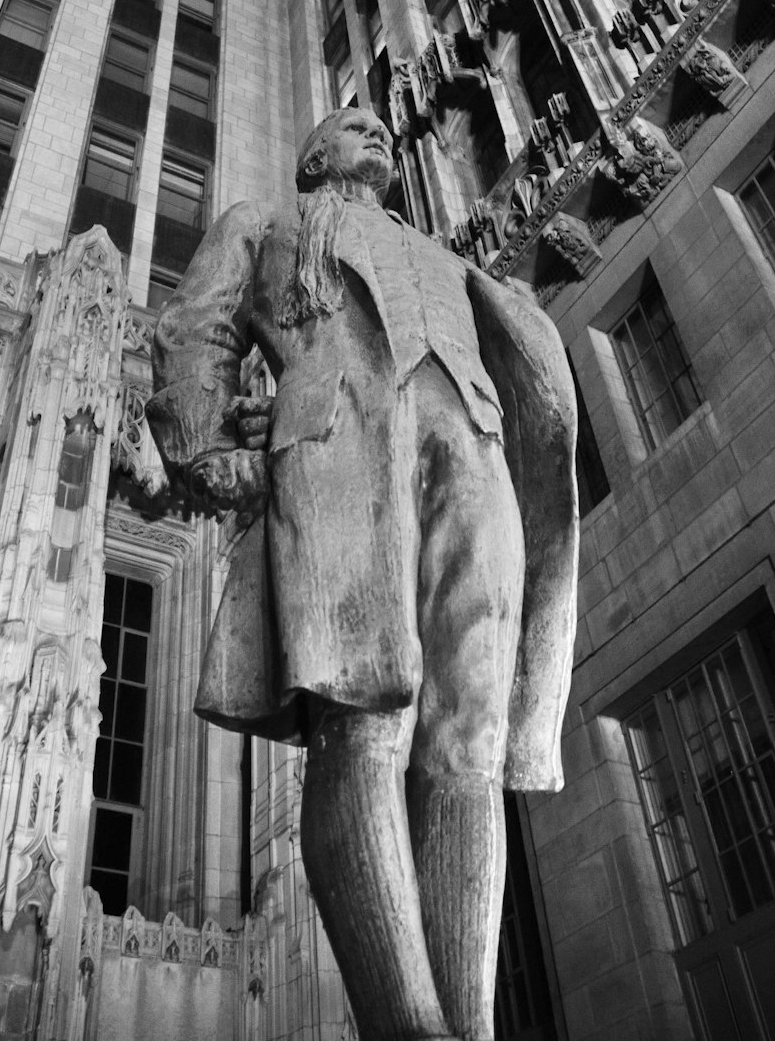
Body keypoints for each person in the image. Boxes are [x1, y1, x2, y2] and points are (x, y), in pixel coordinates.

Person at [147, 108, 578, 1041]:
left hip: (476, 458)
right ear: (313, 159)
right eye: (354, 126)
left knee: (469, 742)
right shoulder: (267, 225)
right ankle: (408, 1025)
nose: (378, 133)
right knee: (366, 723)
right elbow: (194, 336)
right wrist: (217, 454)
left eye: (384, 126)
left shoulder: (451, 261)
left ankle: (469, 1025)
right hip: (341, 458)